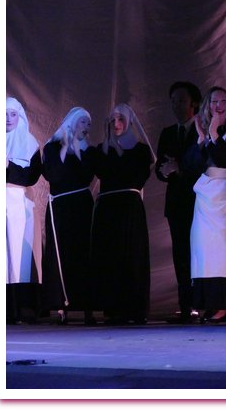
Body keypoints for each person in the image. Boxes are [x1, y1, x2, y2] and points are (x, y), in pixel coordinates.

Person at [91, 103, 155, 325]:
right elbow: (103, 172)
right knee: (110, 257)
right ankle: (112, 308)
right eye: (112, 120)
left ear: (129, 122)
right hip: (108, 209)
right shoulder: (102, 149)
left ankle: (135, 309)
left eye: (120, 119)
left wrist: (118, 154)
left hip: (129, 208)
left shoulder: (141, 150)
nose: (116, 124)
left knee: (132, 256)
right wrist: (110, 147)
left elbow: (136, 177)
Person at [189, 86, 226, 326]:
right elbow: (193, 165)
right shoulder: (204, 131)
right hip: (207, 195)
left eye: (223, 101)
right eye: (214, 102)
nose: (219, 106)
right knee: (208, 251)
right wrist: (202, 140)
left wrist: (214, 133)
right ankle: (217, 305)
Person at [40, 107, 97, 325]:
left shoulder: (88, 151)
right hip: (60, 208)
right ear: (72, 122)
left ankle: (87, 308)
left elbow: (86, 176)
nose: (86, 127)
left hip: (81, 207)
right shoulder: (52, 147)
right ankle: (62, 306)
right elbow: (53, 175)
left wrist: (78, 149)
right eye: (83, 122)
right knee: (60, 256)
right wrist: (65, 147)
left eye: (89, 124)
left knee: (83, 254)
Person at [155, 81, 202, 324]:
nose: (177, 105)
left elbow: (204, 164)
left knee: (200, 253)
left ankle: (203, 304)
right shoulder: (167, 133)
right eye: (173, 101)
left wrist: (179, 168)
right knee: (181, 254)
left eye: (182, 100)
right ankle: (186, 306)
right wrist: (164, 171)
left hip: (200, 201)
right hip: (176, 204)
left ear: (194, 103)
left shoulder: (203, 130)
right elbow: (160, 168)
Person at [6, 96, 42, 324]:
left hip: (20, 203)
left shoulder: (30, 143)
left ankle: (22, 308)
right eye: (3, 115)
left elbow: (31, 176)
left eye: (13, 114)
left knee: (19, 258)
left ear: (20, 117)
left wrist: (8, 167)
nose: (8, 119)